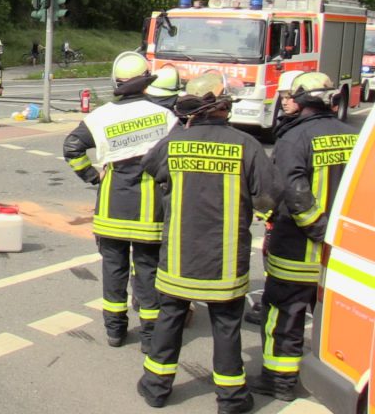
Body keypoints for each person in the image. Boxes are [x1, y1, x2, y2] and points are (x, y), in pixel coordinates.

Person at [138, 72, 283, 414]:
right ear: (224, 106)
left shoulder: (174, 143)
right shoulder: (246, 145)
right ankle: (231, 400)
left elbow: (150, 167)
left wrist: (182, 129)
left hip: (177, 258)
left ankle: (156, 388)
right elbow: (268, 199)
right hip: (226, 262)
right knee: (227, 325)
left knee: (170, 318)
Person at [251, 72, 360, 402]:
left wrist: (317, 231)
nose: (285, 101)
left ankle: (280, 381)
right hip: (342, 252)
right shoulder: (350, 134)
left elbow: (292, 191)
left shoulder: (293, 140)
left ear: (305, 101)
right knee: (334, 319)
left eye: (290, 96)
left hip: (300, 248)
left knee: (284, 312)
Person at [63, 52, 179, 352]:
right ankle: (150, 334)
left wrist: (91, 176)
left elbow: (72, 147)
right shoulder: (164, 115)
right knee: (148, 271)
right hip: (149, 213)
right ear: (146, 82)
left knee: (114, 271)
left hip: (111, 209)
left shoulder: (101, 116)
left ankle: (115, 331)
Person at [243, 70, 305, 327]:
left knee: (283, 265)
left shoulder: (296, 133)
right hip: (290, 212)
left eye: (291, 96)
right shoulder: (290, 125)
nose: (286, 101)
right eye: (283, 96)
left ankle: (278, 307)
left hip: (292, 213)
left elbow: (287, 178)